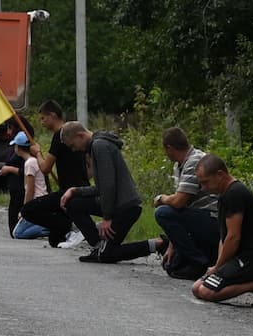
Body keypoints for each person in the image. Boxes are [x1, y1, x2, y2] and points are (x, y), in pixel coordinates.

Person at [190, 155, 253, 305]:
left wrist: (218, 268)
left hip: (252, 260)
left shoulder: (235, 194)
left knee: (206, 291)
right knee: (196, 288)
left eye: (206, 182)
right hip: (236, 259)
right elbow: (223, 237)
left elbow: (233, 237)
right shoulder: (223, 196)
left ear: (220, 175)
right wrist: (219, 266)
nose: (204, 188)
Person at [143, 128, 218, 278]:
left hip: (214, 219)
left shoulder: (195, 161)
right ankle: (200, 257)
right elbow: (182, 207)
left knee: (163, 212)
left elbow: (179, 202)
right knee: (172, 267)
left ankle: (198, 262)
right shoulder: (181, 165)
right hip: (199, 219)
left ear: (169, 148)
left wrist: (161, 198)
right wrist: (172, 245)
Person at [18, 101, 90, 248]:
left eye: (43, 118)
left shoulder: (60, 135)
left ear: (52, 115)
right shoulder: (74, 134)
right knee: (54, 241)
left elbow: (45, 168)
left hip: (69, 192)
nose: (42, 122)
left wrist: (37, 152)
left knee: (28, 210)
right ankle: (68, 228)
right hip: (81, 187)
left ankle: (69, 226)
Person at [68, 124, 143, 261]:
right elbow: (101, 187)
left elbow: (108, 185)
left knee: (107, 255)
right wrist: (75, 191)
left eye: (73, 145)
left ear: (80, 136)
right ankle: (99, 246)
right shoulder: (98, 145)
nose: (74, 150)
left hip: (125, 206)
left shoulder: (99, 146)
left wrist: (107, 218)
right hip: (117, 204)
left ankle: (157, 244)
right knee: (73, 204)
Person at [0, 131, 51, 240]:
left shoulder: (29, 163)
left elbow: (30, 190)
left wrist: (24, 210)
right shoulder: (35, 161)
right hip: (41, 200)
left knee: (18, 233)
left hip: (37, 200)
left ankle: (49, 228)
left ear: (18, 148)